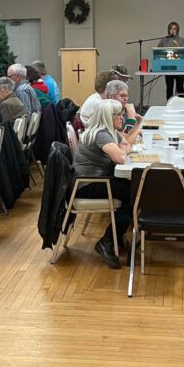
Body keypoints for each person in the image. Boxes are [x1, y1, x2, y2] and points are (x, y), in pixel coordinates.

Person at [72, 100, 134, 269]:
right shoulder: (101, 134)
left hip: (98, 179)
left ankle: (116, 237)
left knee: (134, 190)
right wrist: (123, 151)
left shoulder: (109, 132)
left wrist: (123, 149)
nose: (122, 118)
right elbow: (121, 158)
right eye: (118, 114)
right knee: (134, 194)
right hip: (87, 184)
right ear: (108, 116)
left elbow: (126, 144)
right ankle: (107, 241)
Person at [160, 21, 184, 99]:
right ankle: (169, 104)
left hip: (179, 67)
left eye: (175, 29)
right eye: (171, 29)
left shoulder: (181, 40)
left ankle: (180, 104)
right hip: (168, 67)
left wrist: (177, 45)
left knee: (180, 87)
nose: (173, 30)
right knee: (169, 88)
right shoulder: (164, 40)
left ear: (177, 30)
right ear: (168, 30)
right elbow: (158, 51)